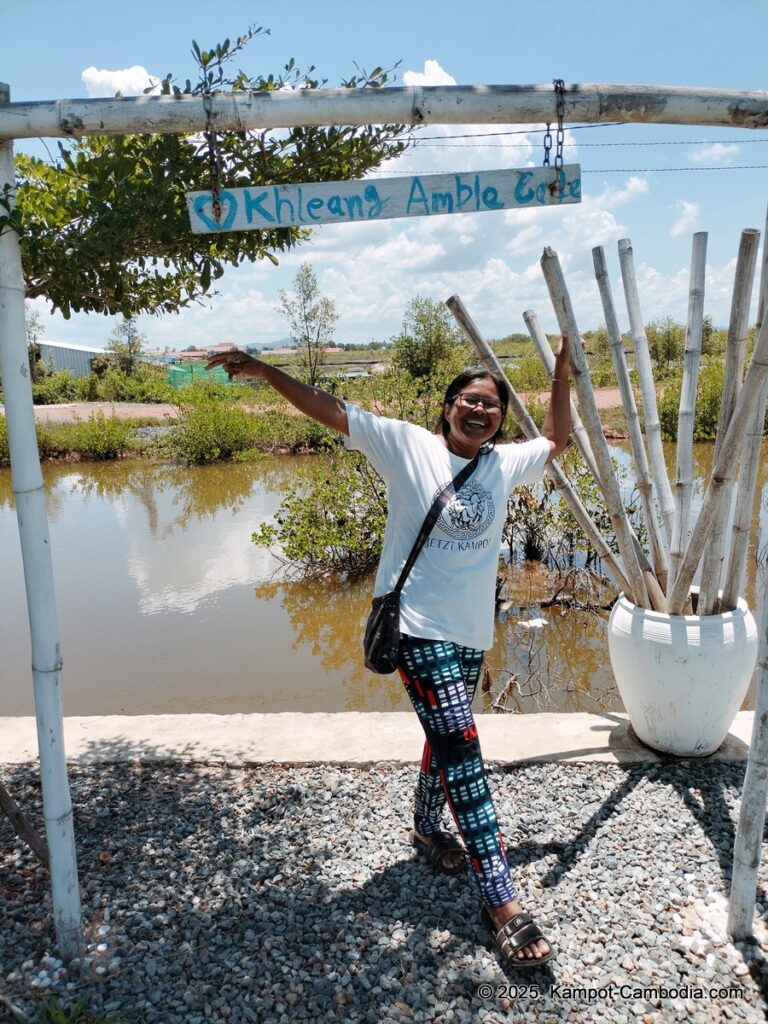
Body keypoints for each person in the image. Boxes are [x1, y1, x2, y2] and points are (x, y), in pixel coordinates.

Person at [207, 339, 572, 968]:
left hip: (468, 632)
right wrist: (267, 372)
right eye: (468, 400)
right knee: (463, 748)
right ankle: (501, 900)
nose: (479, 411)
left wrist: (562, 369)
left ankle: (428, 827)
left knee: (446, 735)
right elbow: (330, 409)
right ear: (448, 407)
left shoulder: (502, 465)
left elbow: (560, 441)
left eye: (490, 406)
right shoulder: (407, 445)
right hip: (414, 628)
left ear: (500, 419)